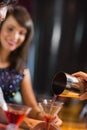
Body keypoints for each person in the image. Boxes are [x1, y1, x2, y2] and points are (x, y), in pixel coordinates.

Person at [0, 5, 62, 126]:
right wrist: (30, 123)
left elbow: (32, 106)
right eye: (10, 29)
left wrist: (44, 116)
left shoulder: (21, 69)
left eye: (21, 33)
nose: (15, 37)